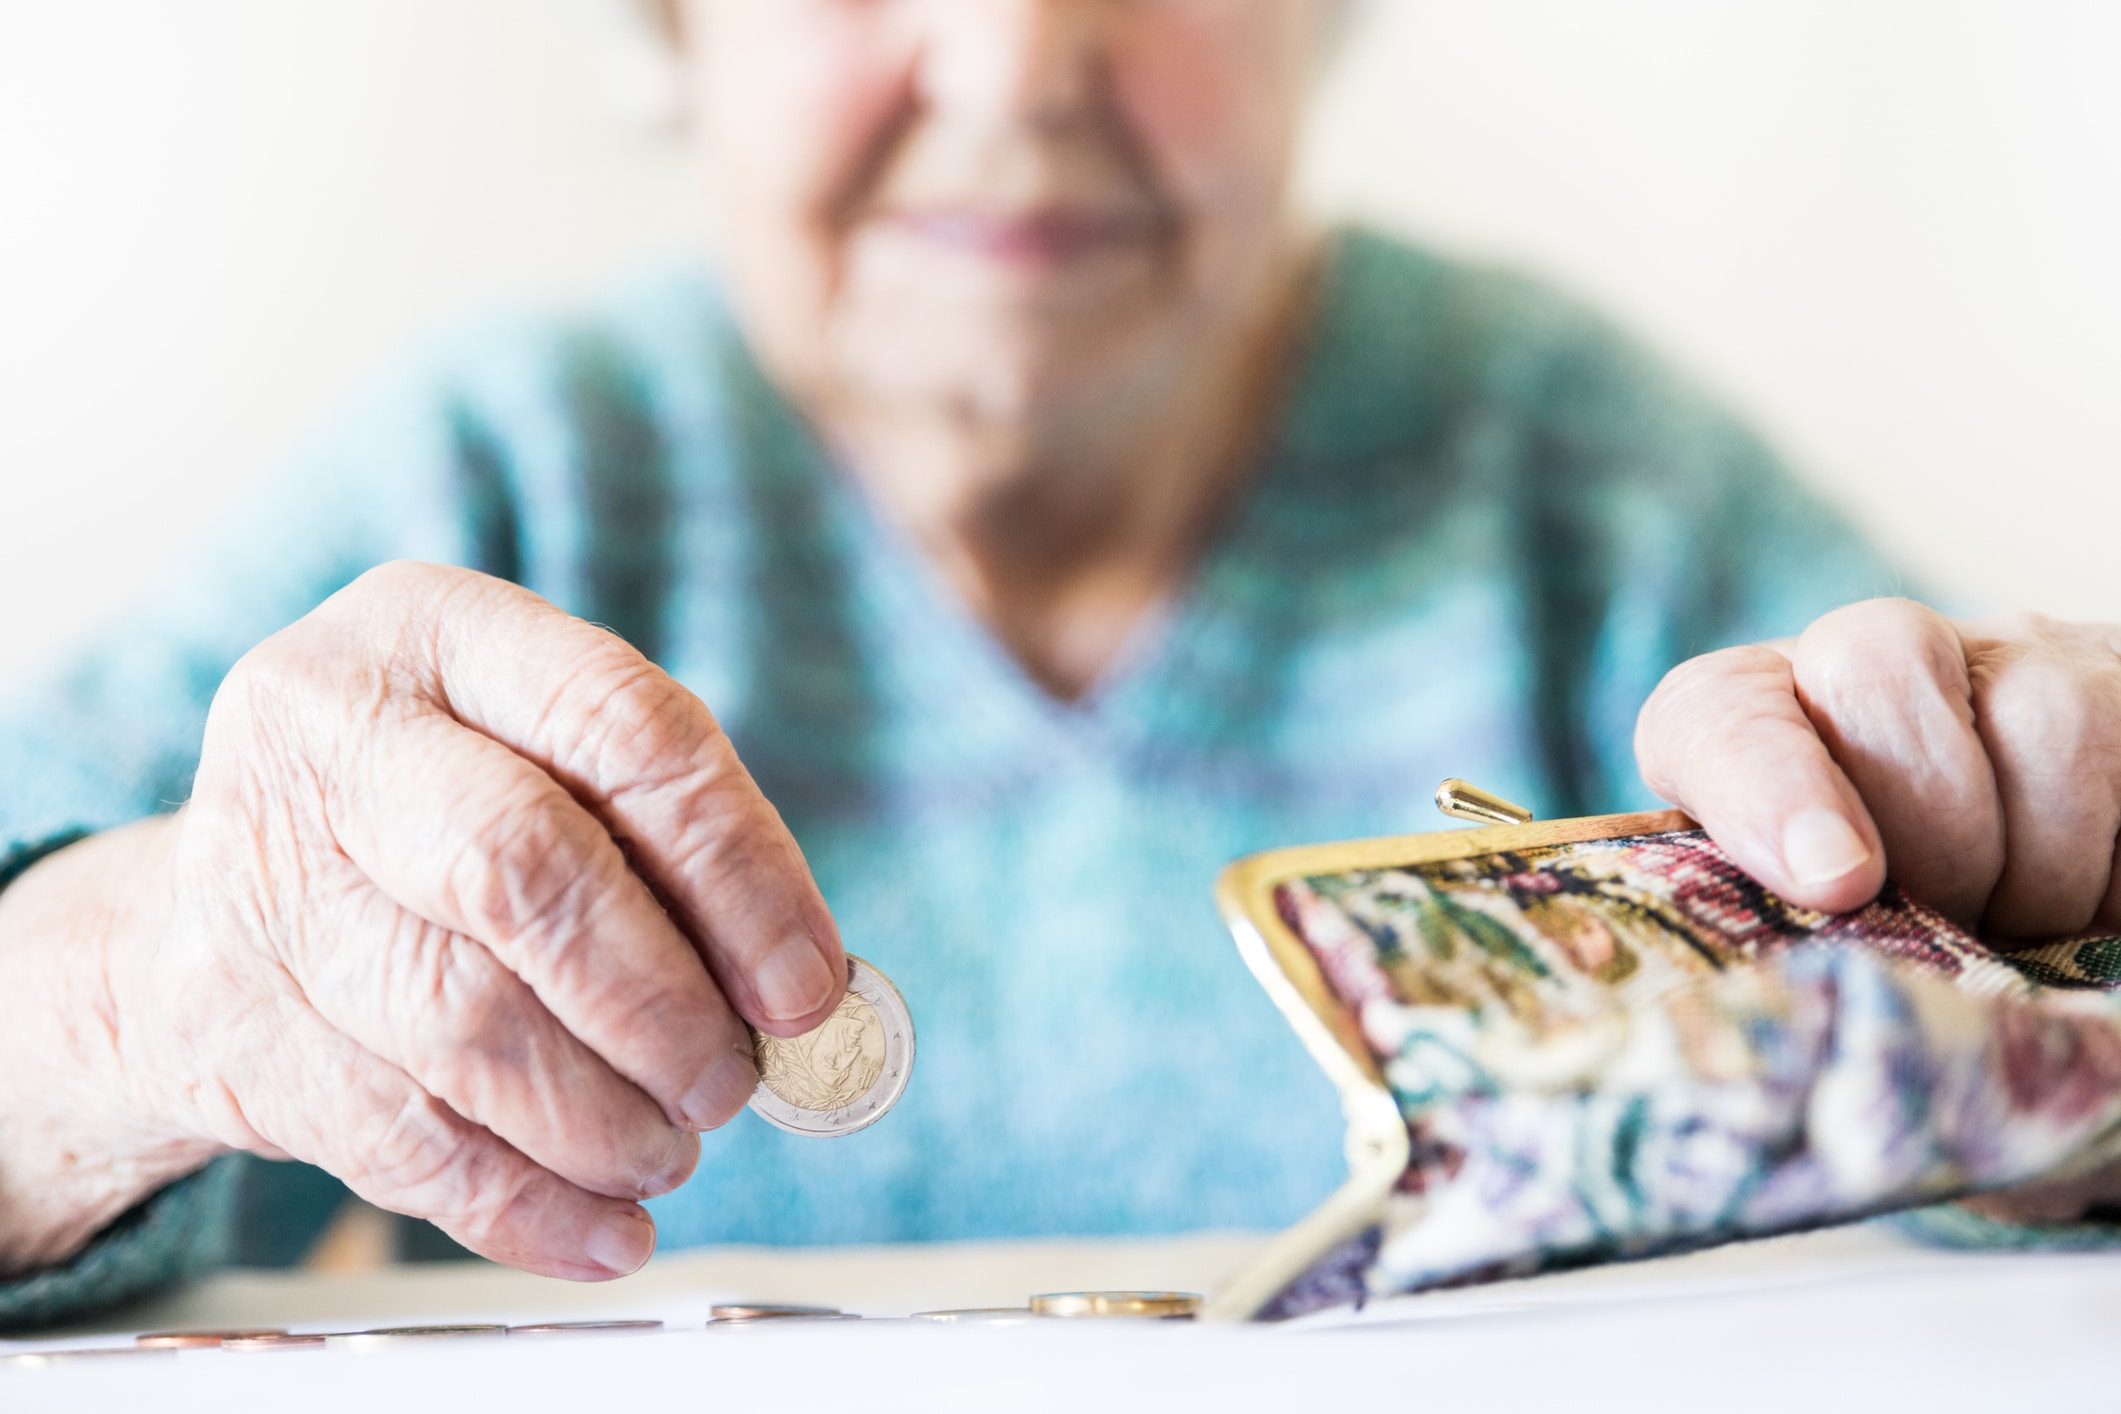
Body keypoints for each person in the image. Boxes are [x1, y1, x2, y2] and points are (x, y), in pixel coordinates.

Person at [2, 0, 2117, 1328]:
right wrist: (120, 993)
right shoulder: (502, 472)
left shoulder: (1581, 479)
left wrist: (2062, 934)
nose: (1014, 61)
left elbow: (2035, 1019)